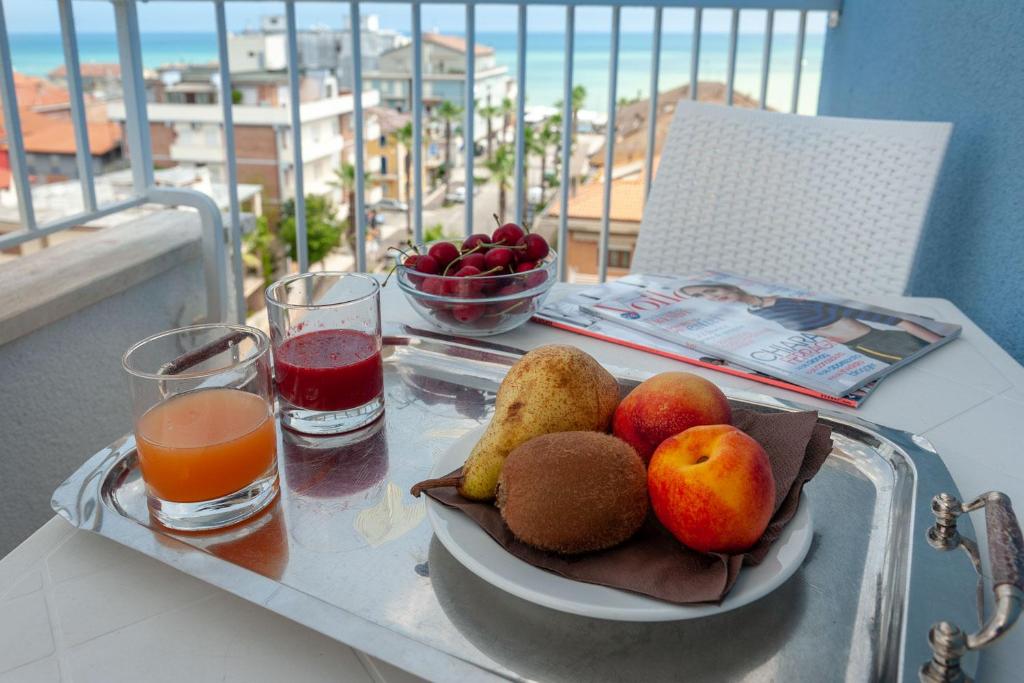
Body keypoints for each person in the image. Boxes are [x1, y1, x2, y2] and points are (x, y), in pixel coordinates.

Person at [679, 282, 942, 364]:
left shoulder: (786, 303)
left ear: (723, 285)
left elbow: (894, 319)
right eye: (702, 298)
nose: (712, 297)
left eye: (709, 291)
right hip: (860, 353)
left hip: (886, 341)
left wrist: (937, 344)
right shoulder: (756, 315)